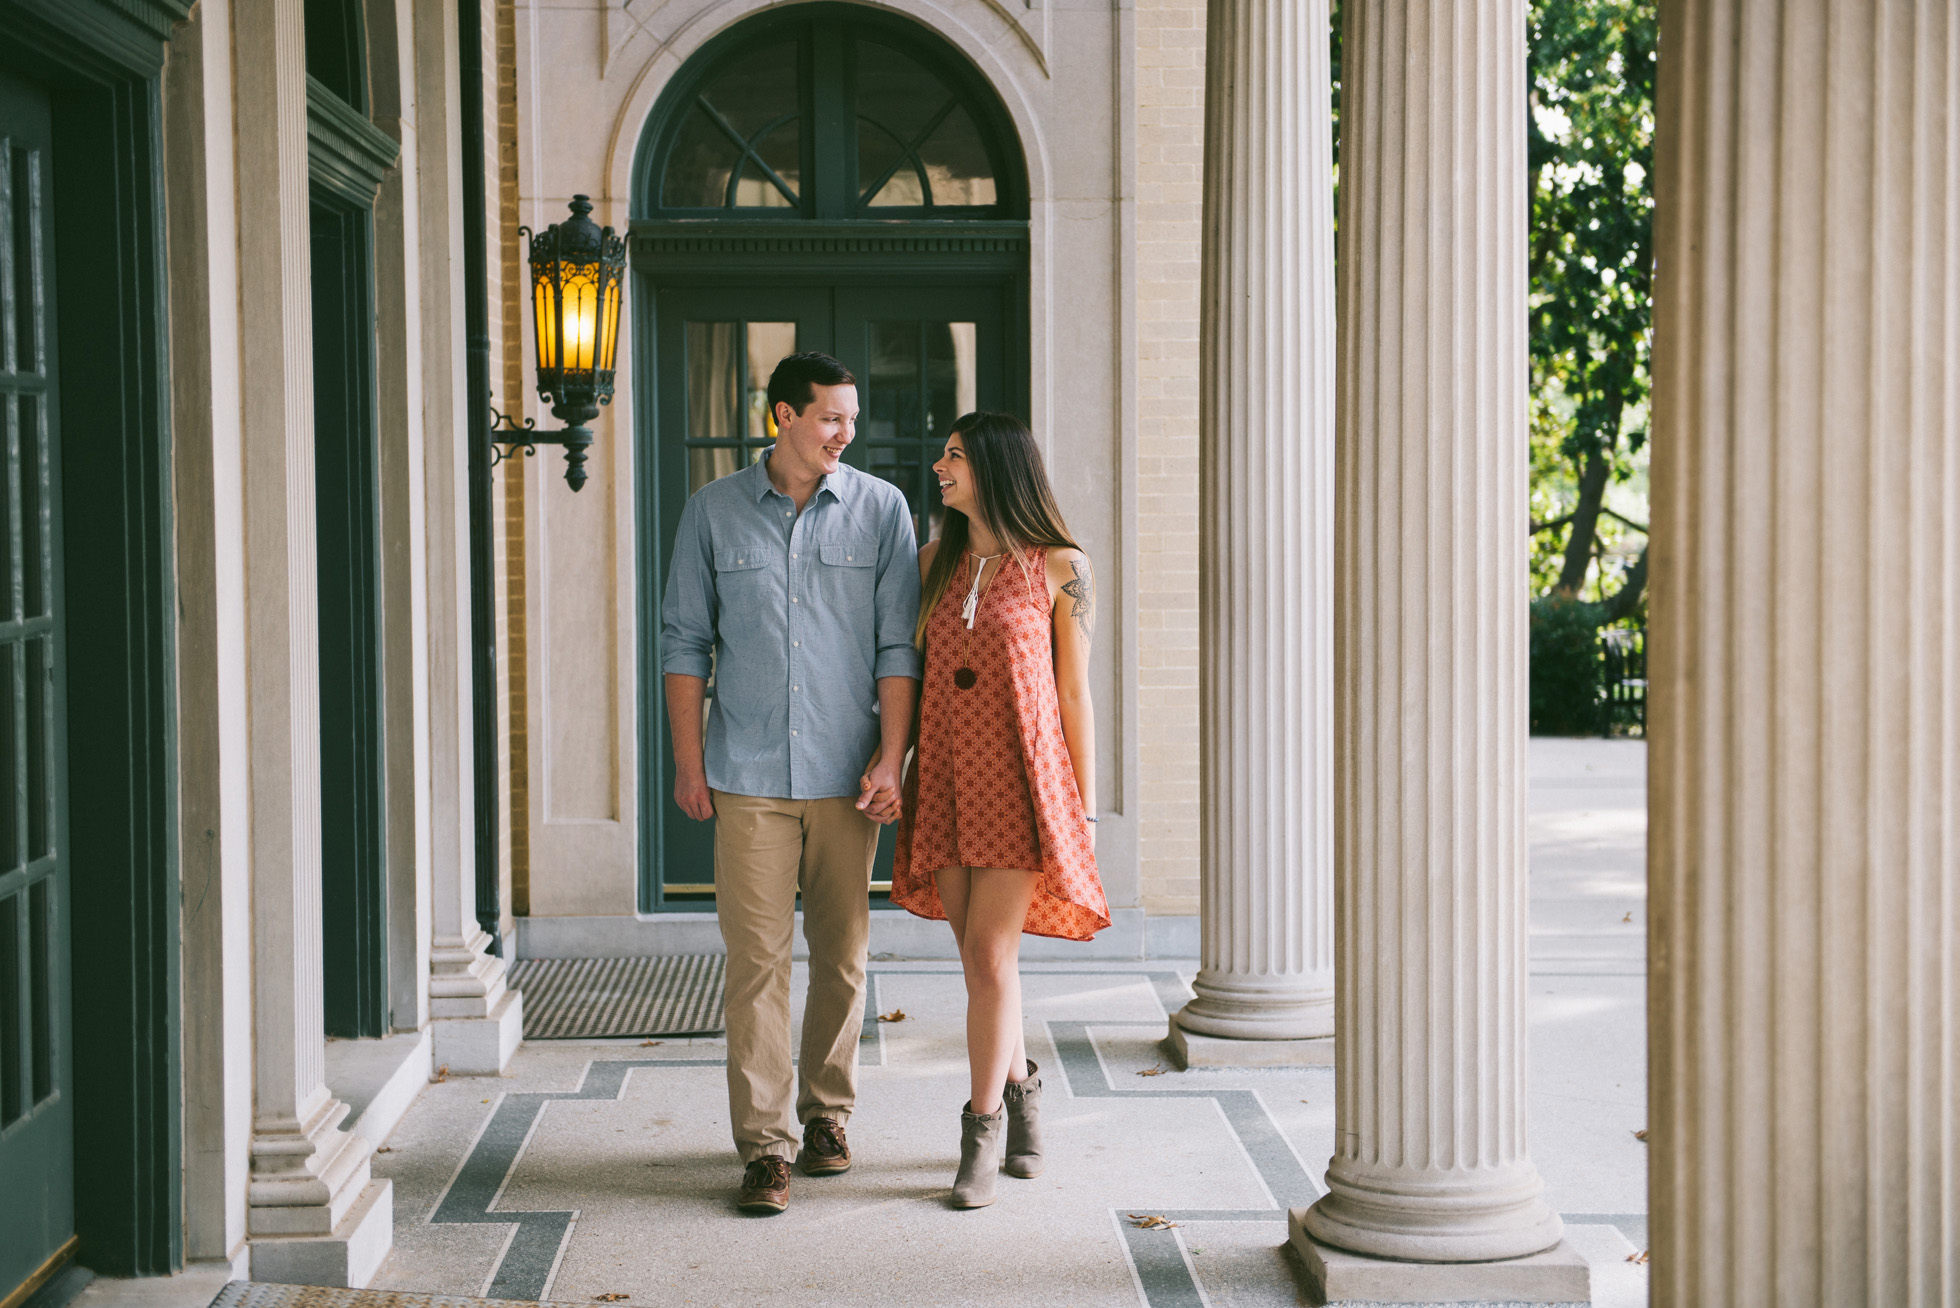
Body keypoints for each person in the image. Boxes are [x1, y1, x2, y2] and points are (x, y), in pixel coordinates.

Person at [660, 351, 921, 1216]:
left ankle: (826, 1117)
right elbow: (683, 645)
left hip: (849, 778)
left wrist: (892, 758)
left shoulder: (882, 511)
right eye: (830, 418)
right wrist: (689, 764)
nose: (846, 433)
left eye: (851, 418)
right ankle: (765, 1146)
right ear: (782, 416)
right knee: (757, 964)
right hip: (747, 774)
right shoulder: (712, 512)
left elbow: (897, 649)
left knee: (843, 959)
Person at [890, 410, 1108, 1209]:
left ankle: (978, 1134)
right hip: (945, 779)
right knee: (982, 965)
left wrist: (1080, 807)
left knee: (989, 959)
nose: (940, 465)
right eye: (941, 453)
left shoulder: (1061, 567)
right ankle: (1025, 1106)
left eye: (954, 455)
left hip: (1022, 783)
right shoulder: (929, 564)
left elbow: (1075, 693)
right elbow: (905, 680)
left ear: (995, 466)